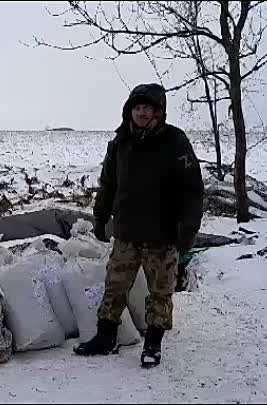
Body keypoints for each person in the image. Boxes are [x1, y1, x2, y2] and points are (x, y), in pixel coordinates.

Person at [73, 83, 204, 368]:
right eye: (138, 107)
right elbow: (107, 184)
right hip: (127, 233)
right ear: (130, 111)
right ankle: (105, 338)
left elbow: (193, 189)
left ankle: (153, 345)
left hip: (163, 233)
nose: (142, 112)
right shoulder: (119, 143)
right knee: (114, 287)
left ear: (159, 111)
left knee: (160, 292)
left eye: (148, 107)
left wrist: (188, 229)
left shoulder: (175, 141)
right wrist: (100, 217)